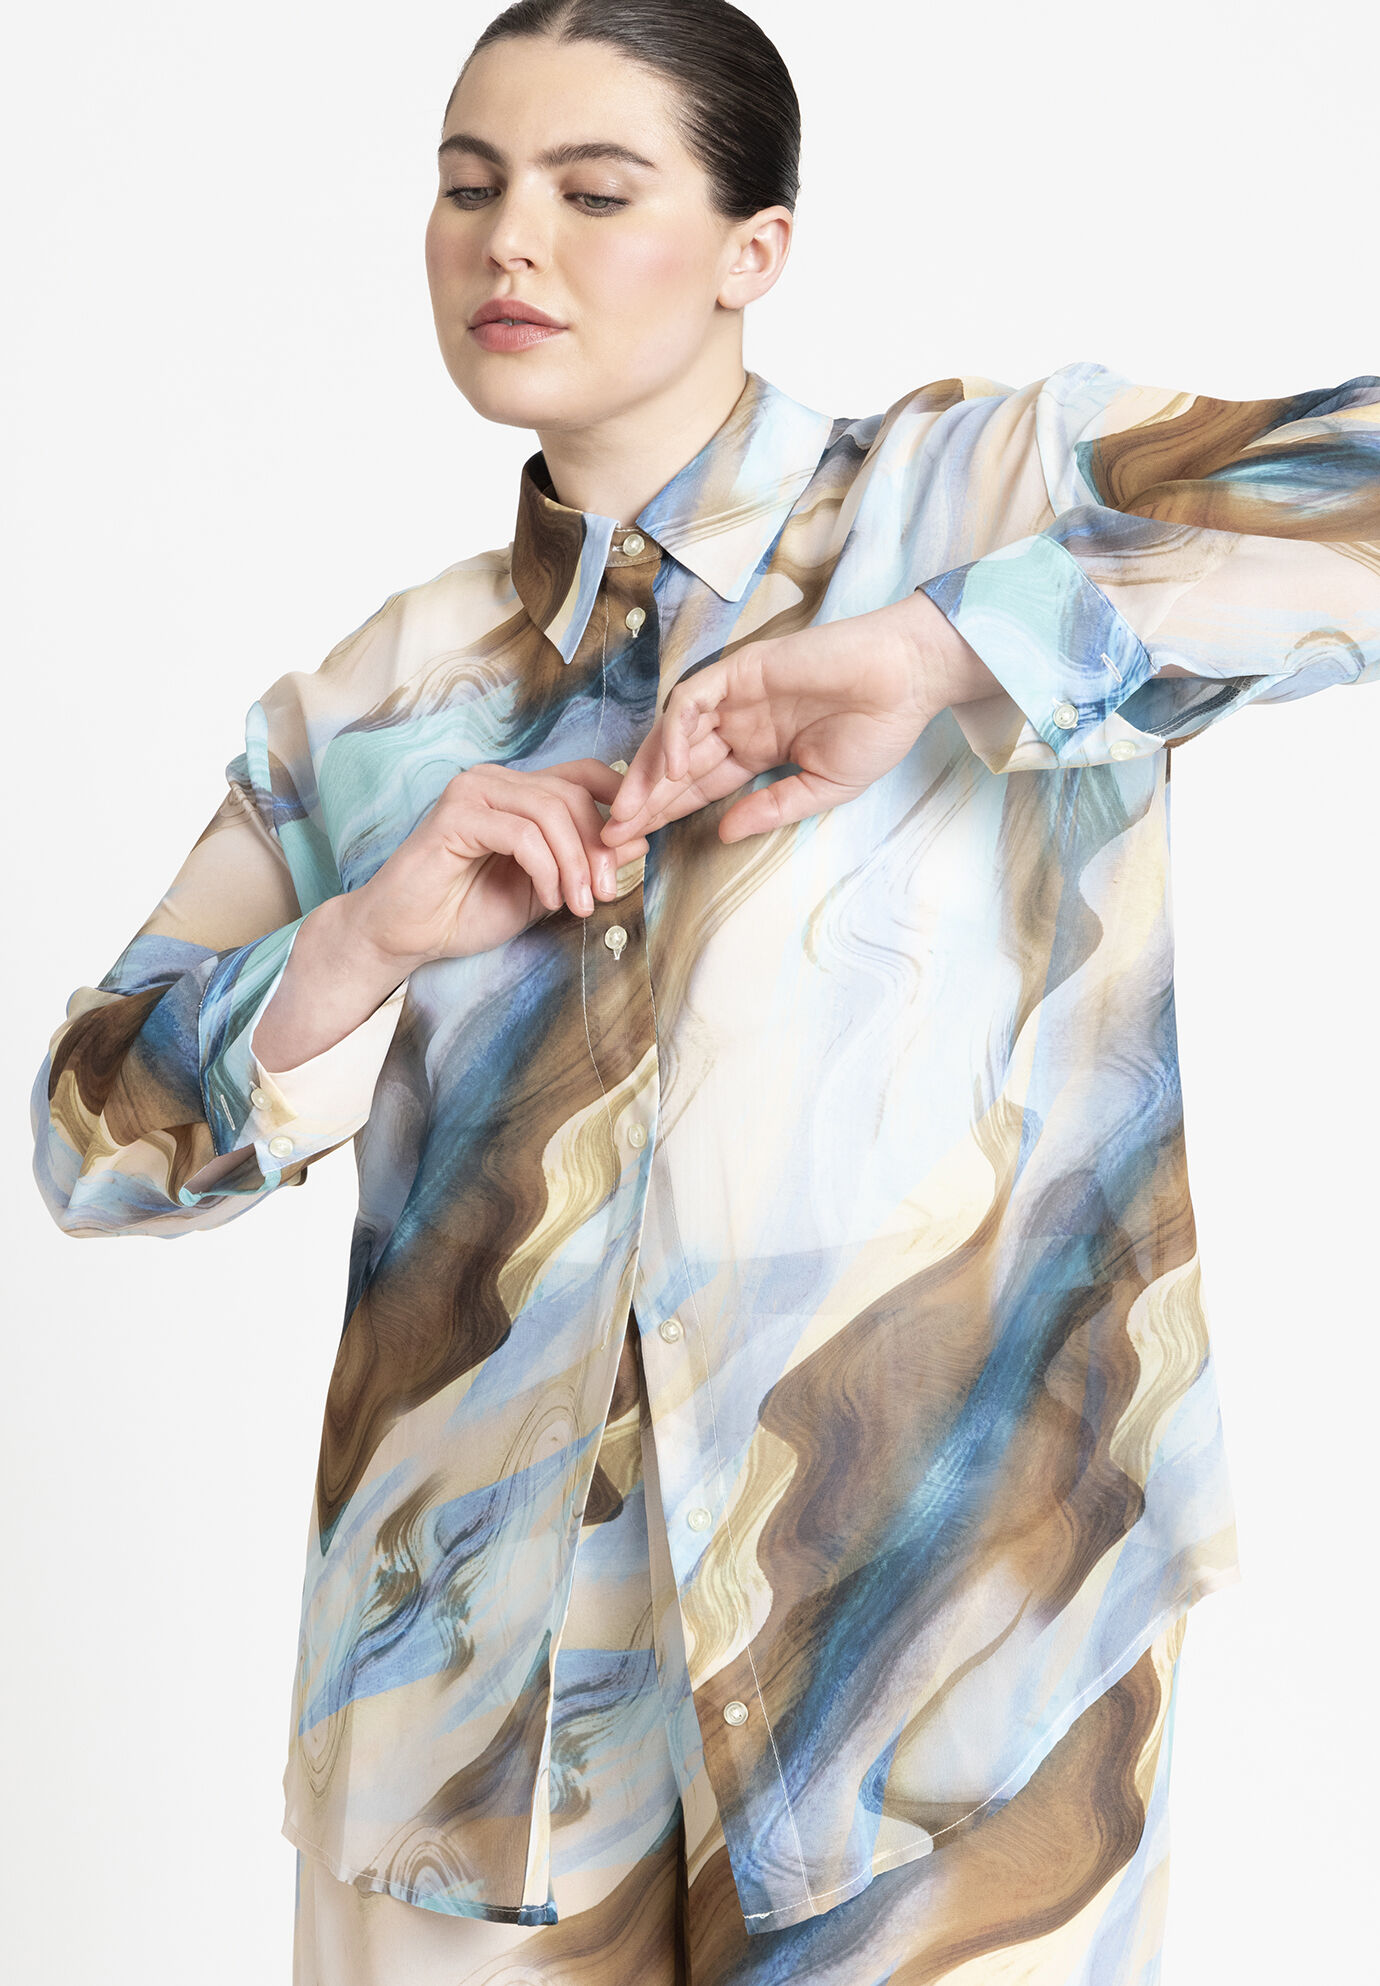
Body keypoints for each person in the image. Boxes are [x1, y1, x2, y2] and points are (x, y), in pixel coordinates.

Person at [30, 2, 1379, 1981]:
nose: (510, 241)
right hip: (468, 1746)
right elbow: (92, 1136)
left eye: (594, 192)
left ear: (757, 248)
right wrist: (363, 940)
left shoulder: (982, 497)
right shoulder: (383, 701)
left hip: (945, 1689)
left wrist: (938, 650)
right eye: (470, 185)